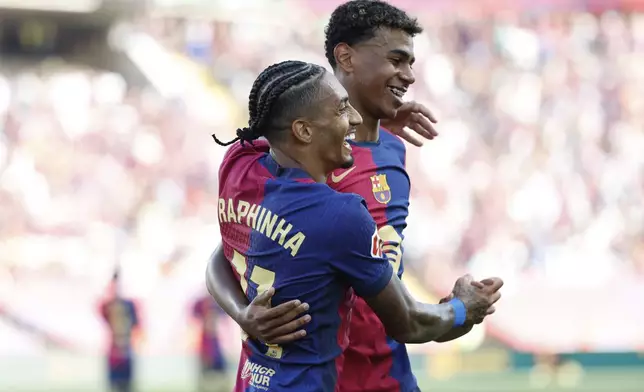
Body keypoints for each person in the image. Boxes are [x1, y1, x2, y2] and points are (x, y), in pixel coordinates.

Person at [207, 1, 497, 391]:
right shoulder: (290, 162)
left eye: (411, 62)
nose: (408, 75)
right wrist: (243, 313)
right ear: (346, 56)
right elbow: (230, 247)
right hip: (326, 375)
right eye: (396, 60)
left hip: (385, 373)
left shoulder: (392, 149)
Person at [99, 270, 140, 392]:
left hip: (127, 352)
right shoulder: (108, 305)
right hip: (114, 354)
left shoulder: (130, 305)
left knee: (126, 386)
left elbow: (137, 327)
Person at [191, 294, 230, 392]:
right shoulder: (201, 302)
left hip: (217, 345)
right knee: (204, 372)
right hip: (206, 346)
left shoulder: (218, 302)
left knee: (222, 373)